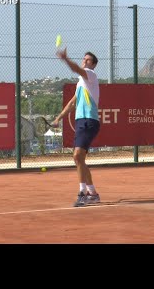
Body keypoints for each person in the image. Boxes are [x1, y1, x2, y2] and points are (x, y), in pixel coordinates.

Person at [52, 48, 101, 207]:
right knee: (80, 158)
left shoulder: (90, 75)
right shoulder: (81, 83)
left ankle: (82, 193)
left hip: (89, 120)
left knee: (77, 156)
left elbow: (76, 69)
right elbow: (72, 103)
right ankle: (92, 193)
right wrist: (59, 117)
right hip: (81, 121)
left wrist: (66, 59)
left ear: (93, 65)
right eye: (84, 59)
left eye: (88, 60)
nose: (84, 61)